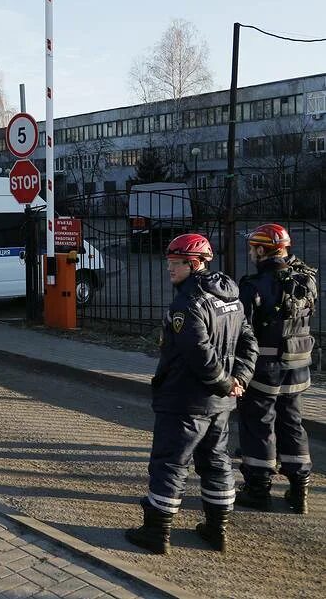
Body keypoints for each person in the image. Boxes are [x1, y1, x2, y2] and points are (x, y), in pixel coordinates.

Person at [125, 233, 258, 554]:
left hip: (185, 399)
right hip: (220, 404)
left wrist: (226, 382)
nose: (170, 269)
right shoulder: (232, 299)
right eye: (169, 263)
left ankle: (156, 533)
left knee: (170, 463)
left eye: (176, 264)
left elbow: (199, 352)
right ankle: (216, 530)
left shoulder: (189, 302)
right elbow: (248, 344)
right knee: (216, 462)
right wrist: (237, 379)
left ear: (195, 263)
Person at [236, 224, 316, 514]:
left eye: (252, 249)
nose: (250, 254)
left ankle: (258, 489)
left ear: (261, 250)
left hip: (264, 369)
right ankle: (299, 490)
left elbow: (241, 330)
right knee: (292, 422)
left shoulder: (254, 285)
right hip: (299, 366)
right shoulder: (305, 279)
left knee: (259, 425)